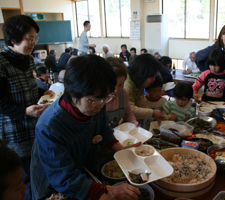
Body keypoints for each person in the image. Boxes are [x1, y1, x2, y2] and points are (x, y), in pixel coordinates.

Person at [30, 55, 141, 200]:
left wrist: (120, 150)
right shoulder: (49, 127)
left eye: (106, 97)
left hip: (83, 172)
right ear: (73, 94)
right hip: (53, 187)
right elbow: (64, 179)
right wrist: (109, 190)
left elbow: (103, 129)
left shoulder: (95, 103)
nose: (101, 105)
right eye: (95, 100)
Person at [0, 14, 49, 200]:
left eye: (34, 38)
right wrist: (23, 112)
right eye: (29, 39)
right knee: (23, 177)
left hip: (33, 125)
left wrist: (42, 96)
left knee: (35, 170)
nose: (33, 43)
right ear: (13, 38)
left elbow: (28, 90)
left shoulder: (27, 59)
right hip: (14, 130)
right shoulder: (1, 62)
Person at [124, 54, 165, 121]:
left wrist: (154, 115)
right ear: (144, 73)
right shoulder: (128, 84)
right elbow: (130, 109)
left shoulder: (139, 81)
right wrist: (152, 113)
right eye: (153, 76)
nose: (154, 79)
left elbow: (141, 102)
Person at [106, 57, 138, 128]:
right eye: (112, 85)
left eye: (121, 84)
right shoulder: (99, 97)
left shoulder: (123, 93)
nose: (116, 90)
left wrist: (133, 122)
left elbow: (128, 113)